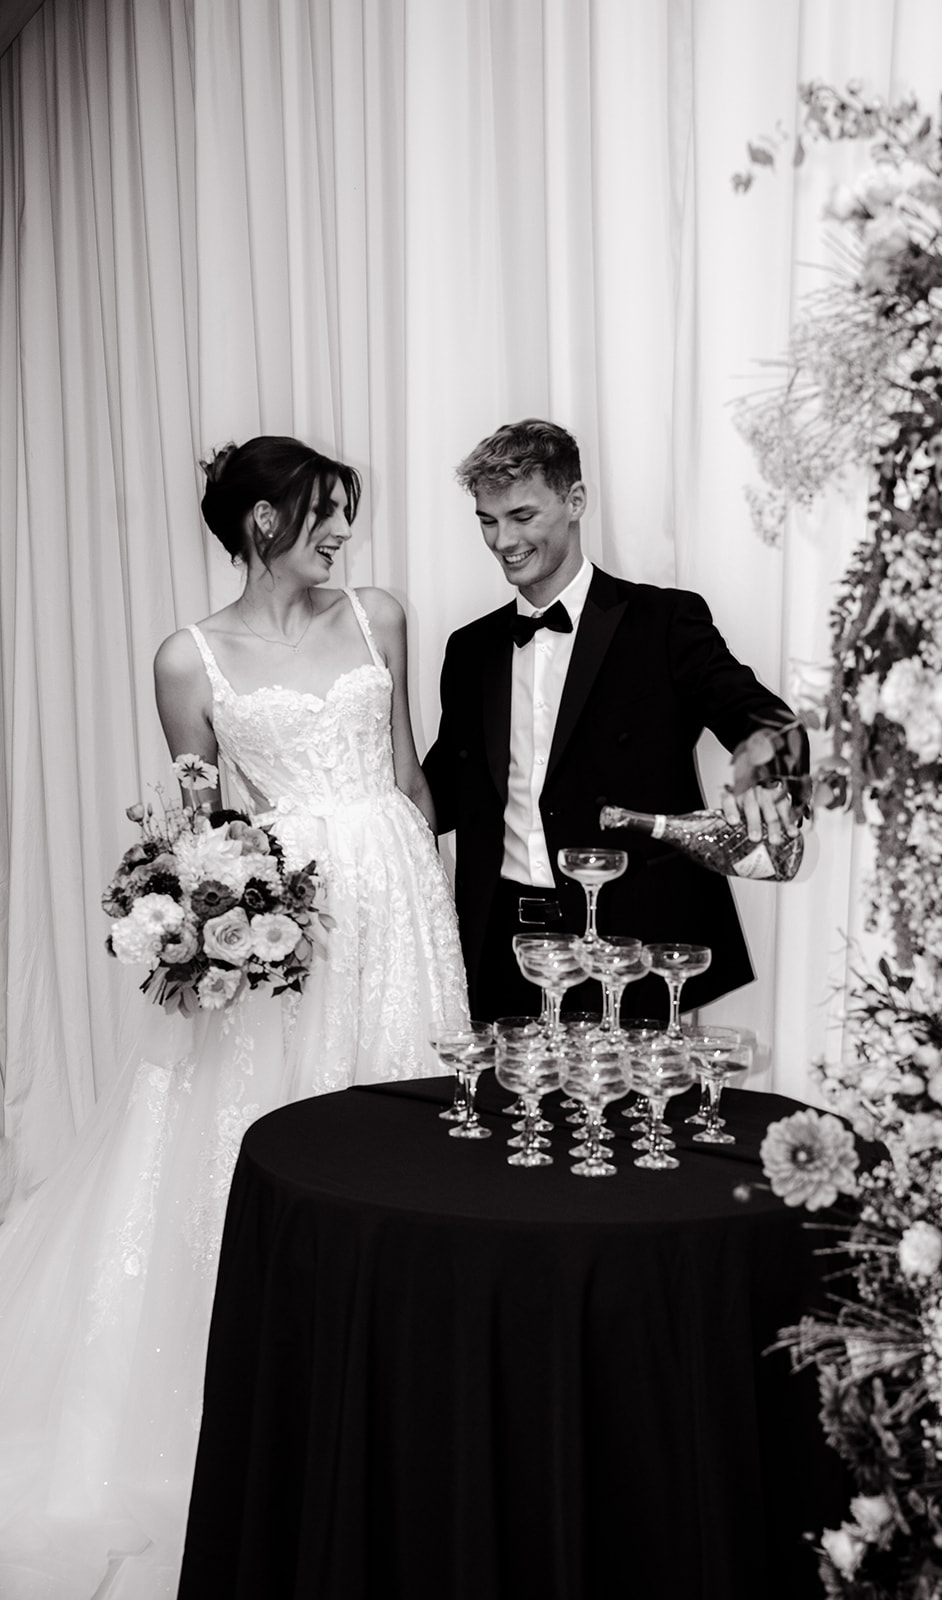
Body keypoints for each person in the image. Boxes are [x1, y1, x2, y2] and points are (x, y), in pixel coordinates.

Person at [0, 436, 468, 1599]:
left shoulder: (381, 617)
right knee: (286, 1130)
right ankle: (289, 1375)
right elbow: (196, 823)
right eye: (324, 515)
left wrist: (440, 902)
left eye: (346, 517)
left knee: (407, 1120)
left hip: (399, 898)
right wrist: (204, 914)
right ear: (261, 523)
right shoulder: (187, 656)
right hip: (295, 917)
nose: (342, 536)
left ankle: (413, 1369)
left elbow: (407, 772)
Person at [423, 417, 802, 1022]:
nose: (502, 541)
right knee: (513, 1119)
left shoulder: (664, 622)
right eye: (487, 522)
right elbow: (443, 788)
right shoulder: (469, 650)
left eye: (522, 516)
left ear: (575, 501)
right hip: (503, 954)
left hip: (636, 950)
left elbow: (765, 721)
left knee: (643, 1117)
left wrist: (762, 768)